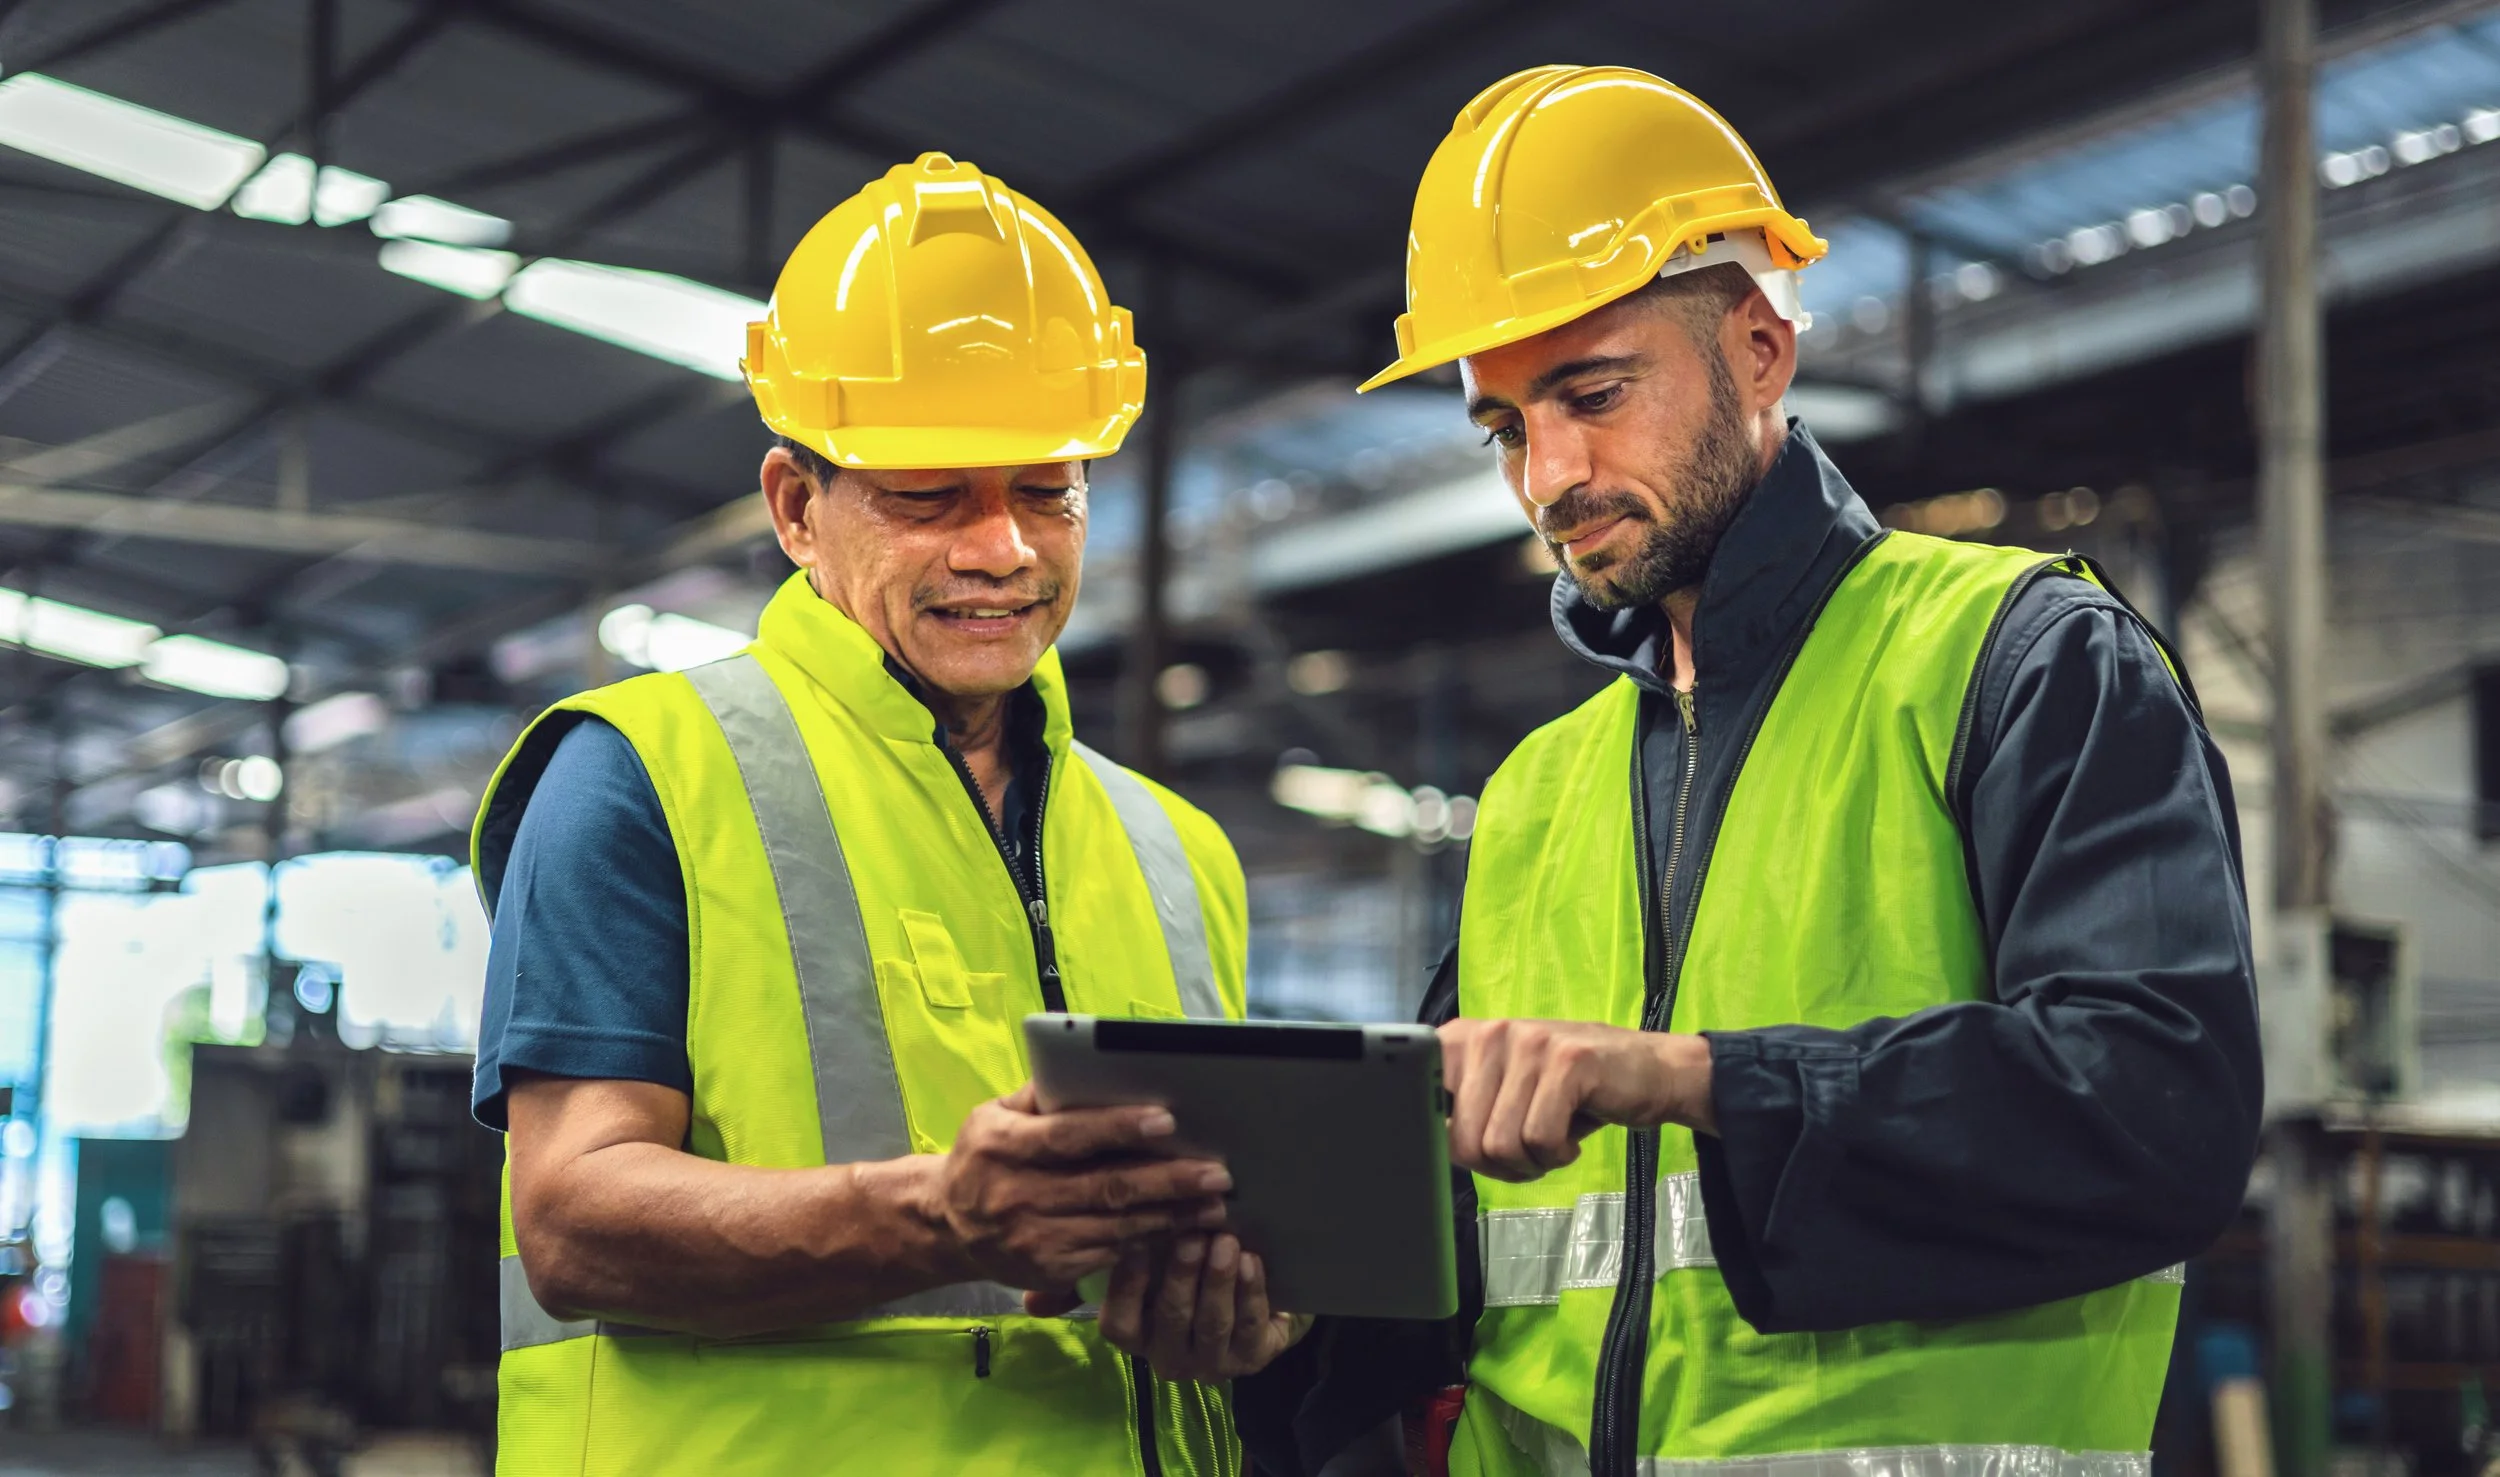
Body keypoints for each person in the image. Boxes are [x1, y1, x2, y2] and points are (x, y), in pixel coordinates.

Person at [1240, 66, 2261, 1477]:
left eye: (1593, 394)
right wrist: (1268, 1309)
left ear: (1761, 350)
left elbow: (2159, 1113)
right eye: (1504, 428)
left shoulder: (2017, 658)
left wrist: (1693, 1080)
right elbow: (1449, 1253)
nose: (1548, 476)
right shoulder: (1541, 790)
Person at [470, 152, 1295, 1477]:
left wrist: (1252, 1313)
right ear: (798, 509)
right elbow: (571, 1224)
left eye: (1046, 489)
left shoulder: (1176, 852)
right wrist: (941, 1216)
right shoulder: (639, 778)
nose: (1002, 549)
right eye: (930, 498)